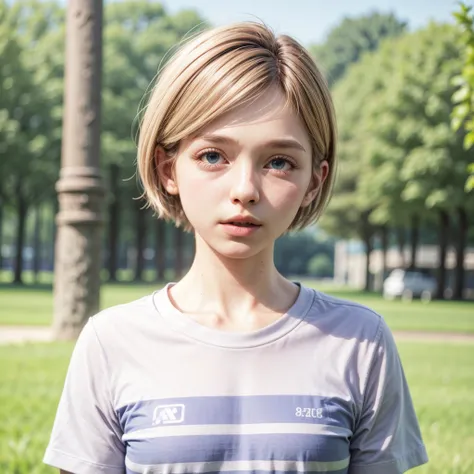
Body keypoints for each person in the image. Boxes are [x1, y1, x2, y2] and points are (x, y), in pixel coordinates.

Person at [44, 21, 428, 474]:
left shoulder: (362, 343)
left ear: (314, 181)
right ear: (168, 169)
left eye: (279, 162)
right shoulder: (110, 343)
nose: (245, 189)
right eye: (213, 156)